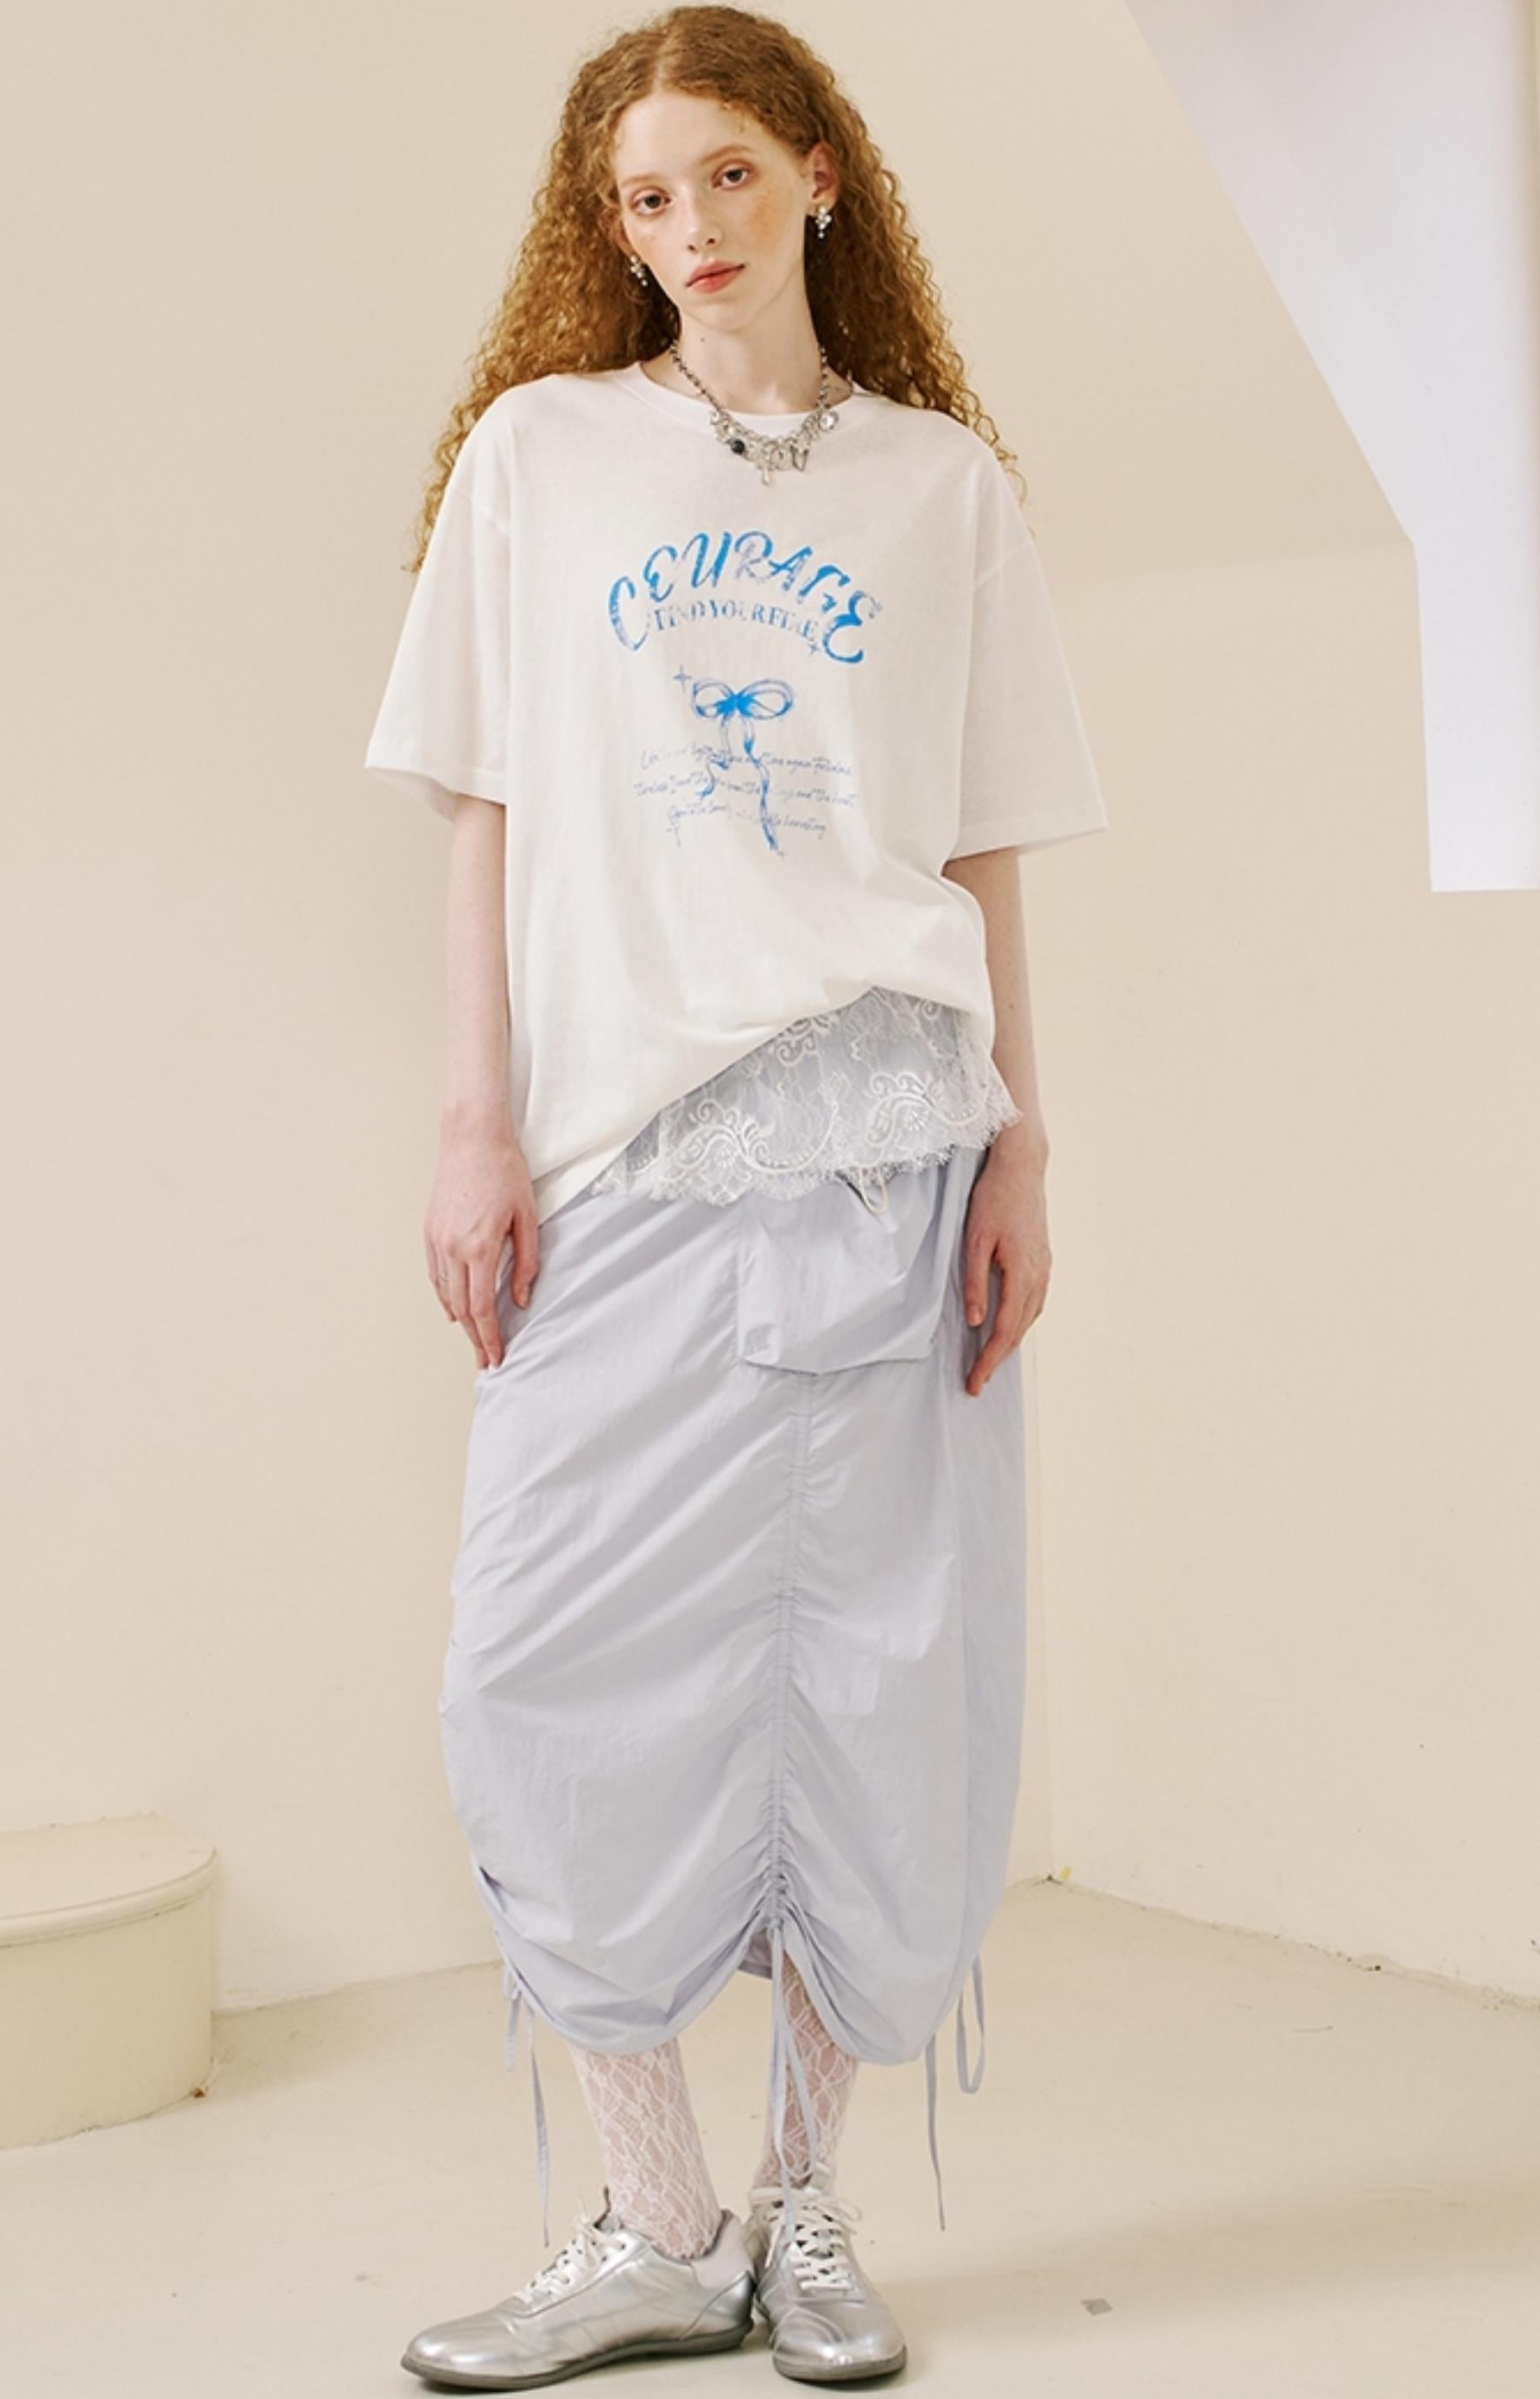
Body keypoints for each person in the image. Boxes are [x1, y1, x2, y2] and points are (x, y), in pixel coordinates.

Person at [363, 5, 1107, 2385]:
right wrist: (470, 1121)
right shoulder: (539, 454)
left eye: (723, 178)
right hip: (628, 1153)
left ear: (818, 178)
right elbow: (485, 812)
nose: (684, 228)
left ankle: (796, 2212)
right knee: (535, 1666)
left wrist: (1022, 1133)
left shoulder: (940, 489)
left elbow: (978, 841)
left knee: (875, 1687)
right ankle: (655, 2216)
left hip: (894, 1140)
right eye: (641, 196)